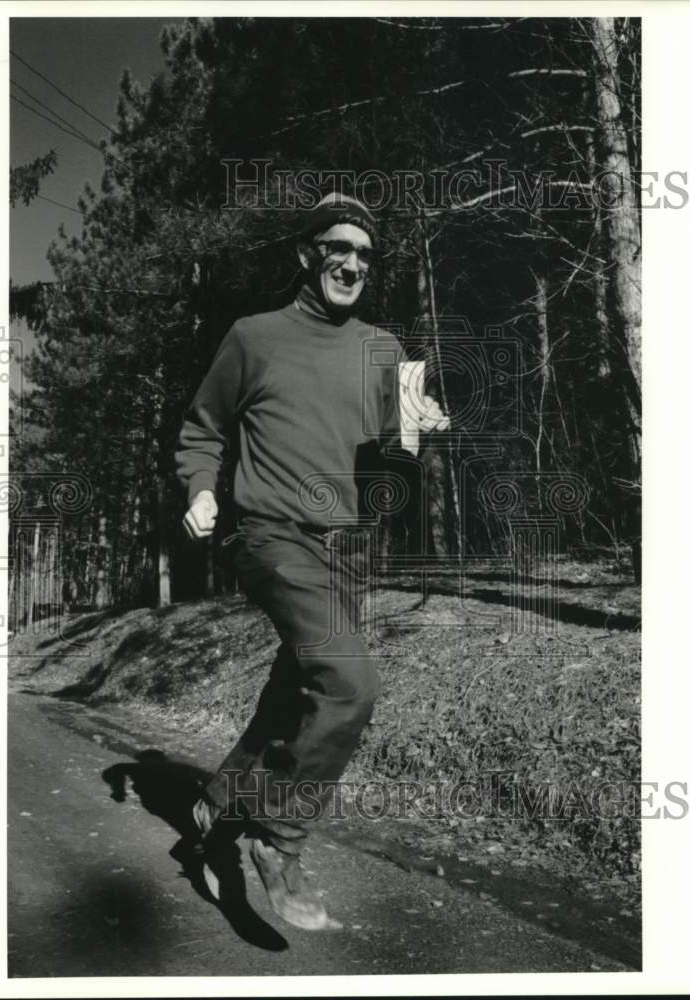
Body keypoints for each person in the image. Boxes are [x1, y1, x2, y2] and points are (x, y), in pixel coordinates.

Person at [175, 193, 449, 930]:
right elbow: (202, 428)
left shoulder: (385, 350)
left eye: (364, 253)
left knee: (295, 692)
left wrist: (417, 433)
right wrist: (201, 490)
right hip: (269, 534)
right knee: (348, 678)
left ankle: (222, 805)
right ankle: (278, 834)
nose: (352, 263)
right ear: (308, 254)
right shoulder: (253, 337)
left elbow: (392, 466)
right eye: (339, 247)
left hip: (347, 546)